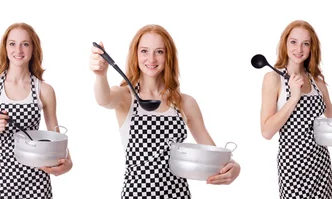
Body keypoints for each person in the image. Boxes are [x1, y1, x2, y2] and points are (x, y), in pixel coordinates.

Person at [89, 24, 241, 198]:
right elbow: (104, 99)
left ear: (168, 56)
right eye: (144, 51)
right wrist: (100, 75)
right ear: (135, 54)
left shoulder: (185, 102)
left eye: (159, 52)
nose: (151, 59)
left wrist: (234, 168)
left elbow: (214, 156)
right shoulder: (125, 96)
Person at [259, 20, 332, 199]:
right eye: (293, 42)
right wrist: (293, 97)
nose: (299, 49)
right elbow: (266, 131)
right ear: (285, 43)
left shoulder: (317, 81)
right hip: (293, 167)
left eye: (306, 43)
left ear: (312, 48)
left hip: (320, 163)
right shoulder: (273, 79)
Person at [0, 22, 73, 199]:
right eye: (12, 43)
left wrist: (67, 163)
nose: (19, 50)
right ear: (5, 48)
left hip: (37, 178)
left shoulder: (44, 90)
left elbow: (55, 137)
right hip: (3, 179)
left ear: (33, 49)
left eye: (25, 44)